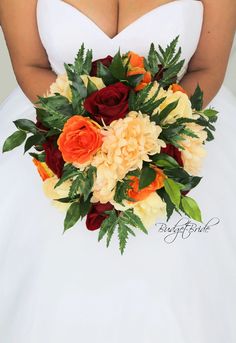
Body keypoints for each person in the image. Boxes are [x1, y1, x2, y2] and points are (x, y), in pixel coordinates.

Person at [0, 1, 236, 342]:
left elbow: (207, 68)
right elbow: (29, 64)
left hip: (178, 136)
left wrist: (146, 137)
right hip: (56, 133)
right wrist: (95, 141)